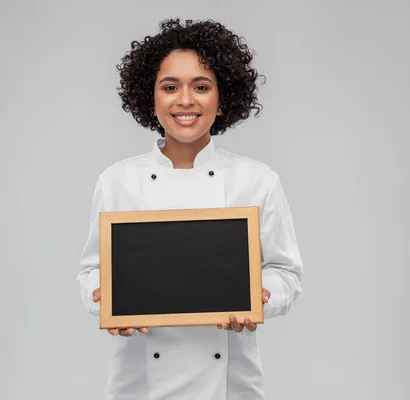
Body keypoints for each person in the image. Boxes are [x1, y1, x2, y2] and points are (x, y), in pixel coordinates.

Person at [77, 18, 303, 400]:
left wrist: (260, 298)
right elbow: (91, 271)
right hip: (141, 385)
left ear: (222, 95)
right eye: (170, 87)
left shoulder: (258, 180)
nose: (185, 100)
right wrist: (104, 298)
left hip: (230, 385)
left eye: (201, 86)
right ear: (150, 96)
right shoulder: (116, 181)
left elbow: (285, 274)